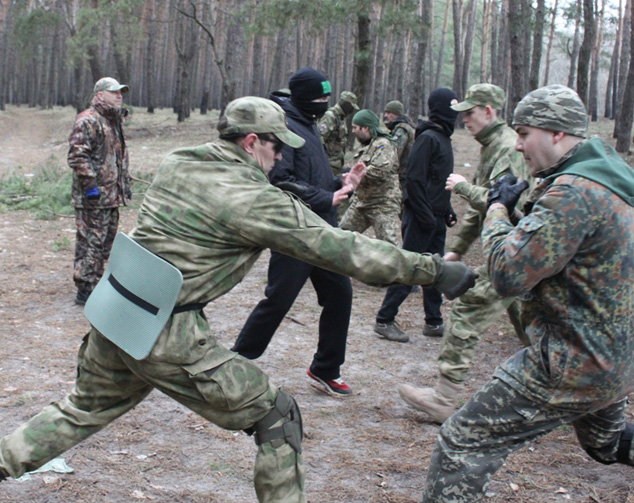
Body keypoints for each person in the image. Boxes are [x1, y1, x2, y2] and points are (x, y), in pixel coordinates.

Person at [0, 97, 477, 502]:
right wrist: (433, 269)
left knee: (78, 410)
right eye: (275, 148)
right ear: (252, 143)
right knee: (277, 415)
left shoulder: (180, 161)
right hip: (167, 331)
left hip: (117, 311)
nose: (278, 159)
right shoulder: (252, 199)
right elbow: (345, 249)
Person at [422, 85, 634, 502]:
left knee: (461, 442)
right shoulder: (600, 176)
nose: (518, 144)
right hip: (620, 355)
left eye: (524, 133)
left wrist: (498, 208)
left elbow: (507, 275)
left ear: (555, 133)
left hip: (576, 360)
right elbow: (553, 243)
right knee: (605, 442)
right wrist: (518, 208)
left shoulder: (573, 191)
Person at [398, 83, 534, 423]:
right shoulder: (491, 147)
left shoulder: (506, 149)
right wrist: (457, 250)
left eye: (470, 114)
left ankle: (443, 399)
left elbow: (503, 202)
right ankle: (569, 393)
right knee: (534, 321)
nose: (464, 121)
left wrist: (462, 187)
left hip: (518, 249)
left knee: (468, 310)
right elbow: (484, 211)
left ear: (488, 112)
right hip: (515, 248)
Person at [232, 68, 360, 397]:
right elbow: (279, 181)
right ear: (303, 97)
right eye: (320, 98)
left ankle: (326, 367)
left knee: (340, 294)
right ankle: (236, 363)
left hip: (321, 228)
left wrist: (340, 184)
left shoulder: (309, 123)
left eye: (327, 98)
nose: (325, 104)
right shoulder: (284, 127)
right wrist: (324, 197)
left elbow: (312, 176)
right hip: (293, 231)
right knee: (279, 299)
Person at [373, 88, 460, 344]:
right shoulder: (428, 138)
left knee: (435, 269)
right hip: (421, 217)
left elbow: (437, 182)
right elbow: (414, 180)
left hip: (435, 216)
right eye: (452, 108)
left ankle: (434, 322)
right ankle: (384, 320)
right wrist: (425, 216)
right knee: (409, 269)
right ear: (441, 109)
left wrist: (447, 210)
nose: (456, 114)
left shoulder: (443, 138)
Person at [68, 77, 131, 304]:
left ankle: (97, 283)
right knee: (91, 242)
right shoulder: (88, 120)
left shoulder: (113, 121)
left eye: (121, 92)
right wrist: (90, 186)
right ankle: (85, 289)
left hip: (111, 196)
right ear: (99, 95)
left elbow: (114, 159)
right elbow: (77, 155)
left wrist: (124, 185)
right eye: (113, 91)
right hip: (93, 197)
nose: (119, 95)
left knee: (106, 243)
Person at [339, 109, 401, 246]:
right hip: (361, 202)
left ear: (366, 128)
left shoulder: (383, 144)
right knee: (340, 237)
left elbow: (380, 170)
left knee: (389, 247)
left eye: (355, 127)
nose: (353, 131)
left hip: (382, 204)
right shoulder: (367, 146)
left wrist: (354, 175)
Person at [318, 90, 359, 176]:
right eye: (351, 107)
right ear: (346, 104)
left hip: (335, 165)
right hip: (328, 165)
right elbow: (320, 139)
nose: (352, 110)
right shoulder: (330, 116)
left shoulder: (340, 118)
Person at [383, 100, 415, 191]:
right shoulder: (402, 127)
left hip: (403, 176)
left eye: (389, 113)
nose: (386, 116)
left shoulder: (402, 129)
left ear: (397, 114)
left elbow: (395, 152)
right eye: (385, 113)